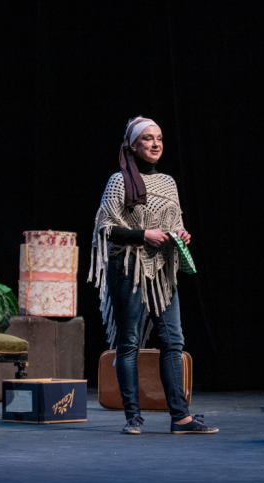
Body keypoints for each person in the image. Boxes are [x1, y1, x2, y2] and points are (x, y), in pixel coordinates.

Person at [89, 116, 219, 435]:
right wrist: (142, 235)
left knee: (173, 341)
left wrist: (181, 234)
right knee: (129, 342)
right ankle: (133, 417)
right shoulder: (119, 181)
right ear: (133, 145)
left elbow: (175, 223)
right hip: (129, 268)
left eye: (159, 138)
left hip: (162, 270)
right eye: (147, 138)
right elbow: (105, 228)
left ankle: (181, 417)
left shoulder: (168, 183)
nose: (155, 143)